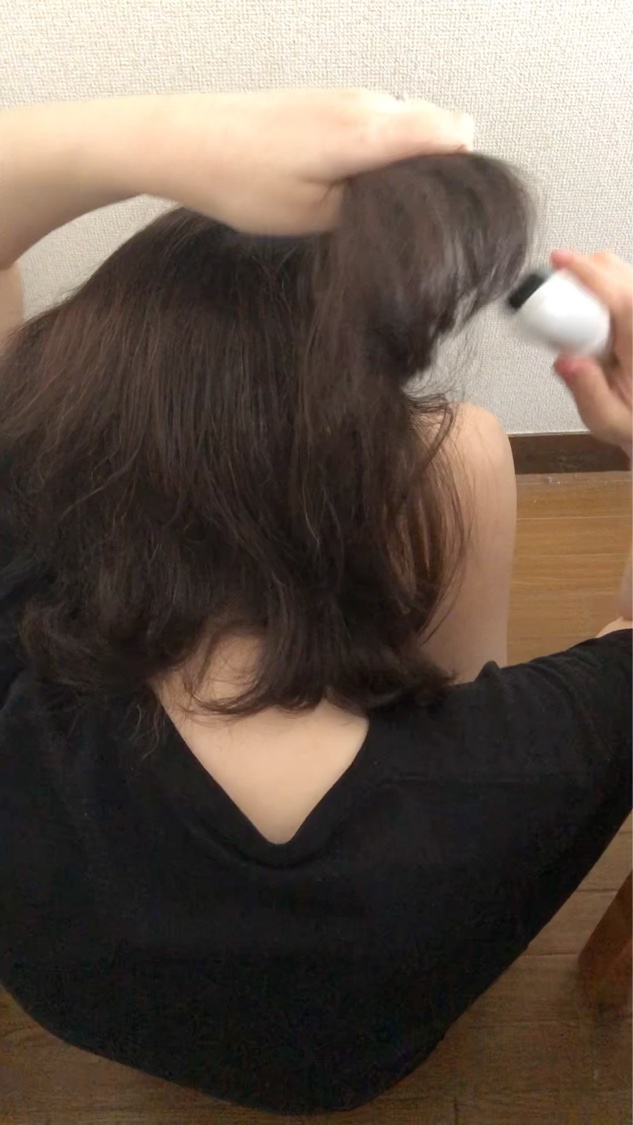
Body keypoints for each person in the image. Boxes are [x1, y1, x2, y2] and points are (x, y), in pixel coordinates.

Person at [0, 89, 630, 1116]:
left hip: (91, 1013)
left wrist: (161, 140)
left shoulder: (17, 640)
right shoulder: (546, 755)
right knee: (465, 445)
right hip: (360, 1063)